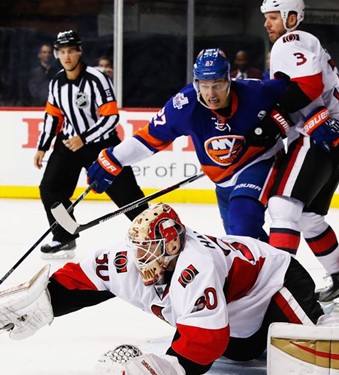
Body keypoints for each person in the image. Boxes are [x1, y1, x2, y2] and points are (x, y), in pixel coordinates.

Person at [0, 203, 338, 375]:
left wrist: (173, 371)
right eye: (138, 248)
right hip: (236, 308)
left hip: (274, 282)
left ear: (173, 244)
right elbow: (84, 278)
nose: (140, 258)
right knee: (245, 352)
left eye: (149, 249)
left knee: (312, 357)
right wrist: (43, 303)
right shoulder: (130, 258)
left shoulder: (196, 266)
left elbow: (207, 340)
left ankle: (329, 324)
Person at [85, 48, 291, 241]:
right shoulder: (184, 104)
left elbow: (298, 93)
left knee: (242, 223)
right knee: (239, 240)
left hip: (258, 161)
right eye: (204, 84)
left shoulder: (254, 92)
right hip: (223, 180)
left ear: (229, 80)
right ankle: (280, 272)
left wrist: (288, 120)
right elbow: (150, 137)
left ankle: (281, 276)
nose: (211, 93)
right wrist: (115, 158)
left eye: (218, 84)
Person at [256, 0, 339, 306]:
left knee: (283, 206)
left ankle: (278, 290)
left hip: (317, 136)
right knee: (309, 218)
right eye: (266, 18)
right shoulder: (305, 43)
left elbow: (309, 88)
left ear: (292, 17)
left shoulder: (290, 41)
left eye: (273, 17)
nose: (268, 24)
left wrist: (270, 113)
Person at [35, 30, 147, 258]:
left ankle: (152, 233)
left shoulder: (97, 79)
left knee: (127, 194)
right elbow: (53, 117)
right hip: (68, 144)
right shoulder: (56, 83)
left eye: (70, 51)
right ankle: (64, 237)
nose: (66, 56)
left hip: (100, 144)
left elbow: (111, 117)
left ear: (79, 51)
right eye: (62, 52)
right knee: (50, 188)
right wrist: (43, 146)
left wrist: (84, 138)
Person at [27, 42, 56, 107]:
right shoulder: (34, 73)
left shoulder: (56, 73)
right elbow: (32, 91)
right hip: (38, 107)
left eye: (49, 52)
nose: (47, 55)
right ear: (39, 55)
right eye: (44, 52)